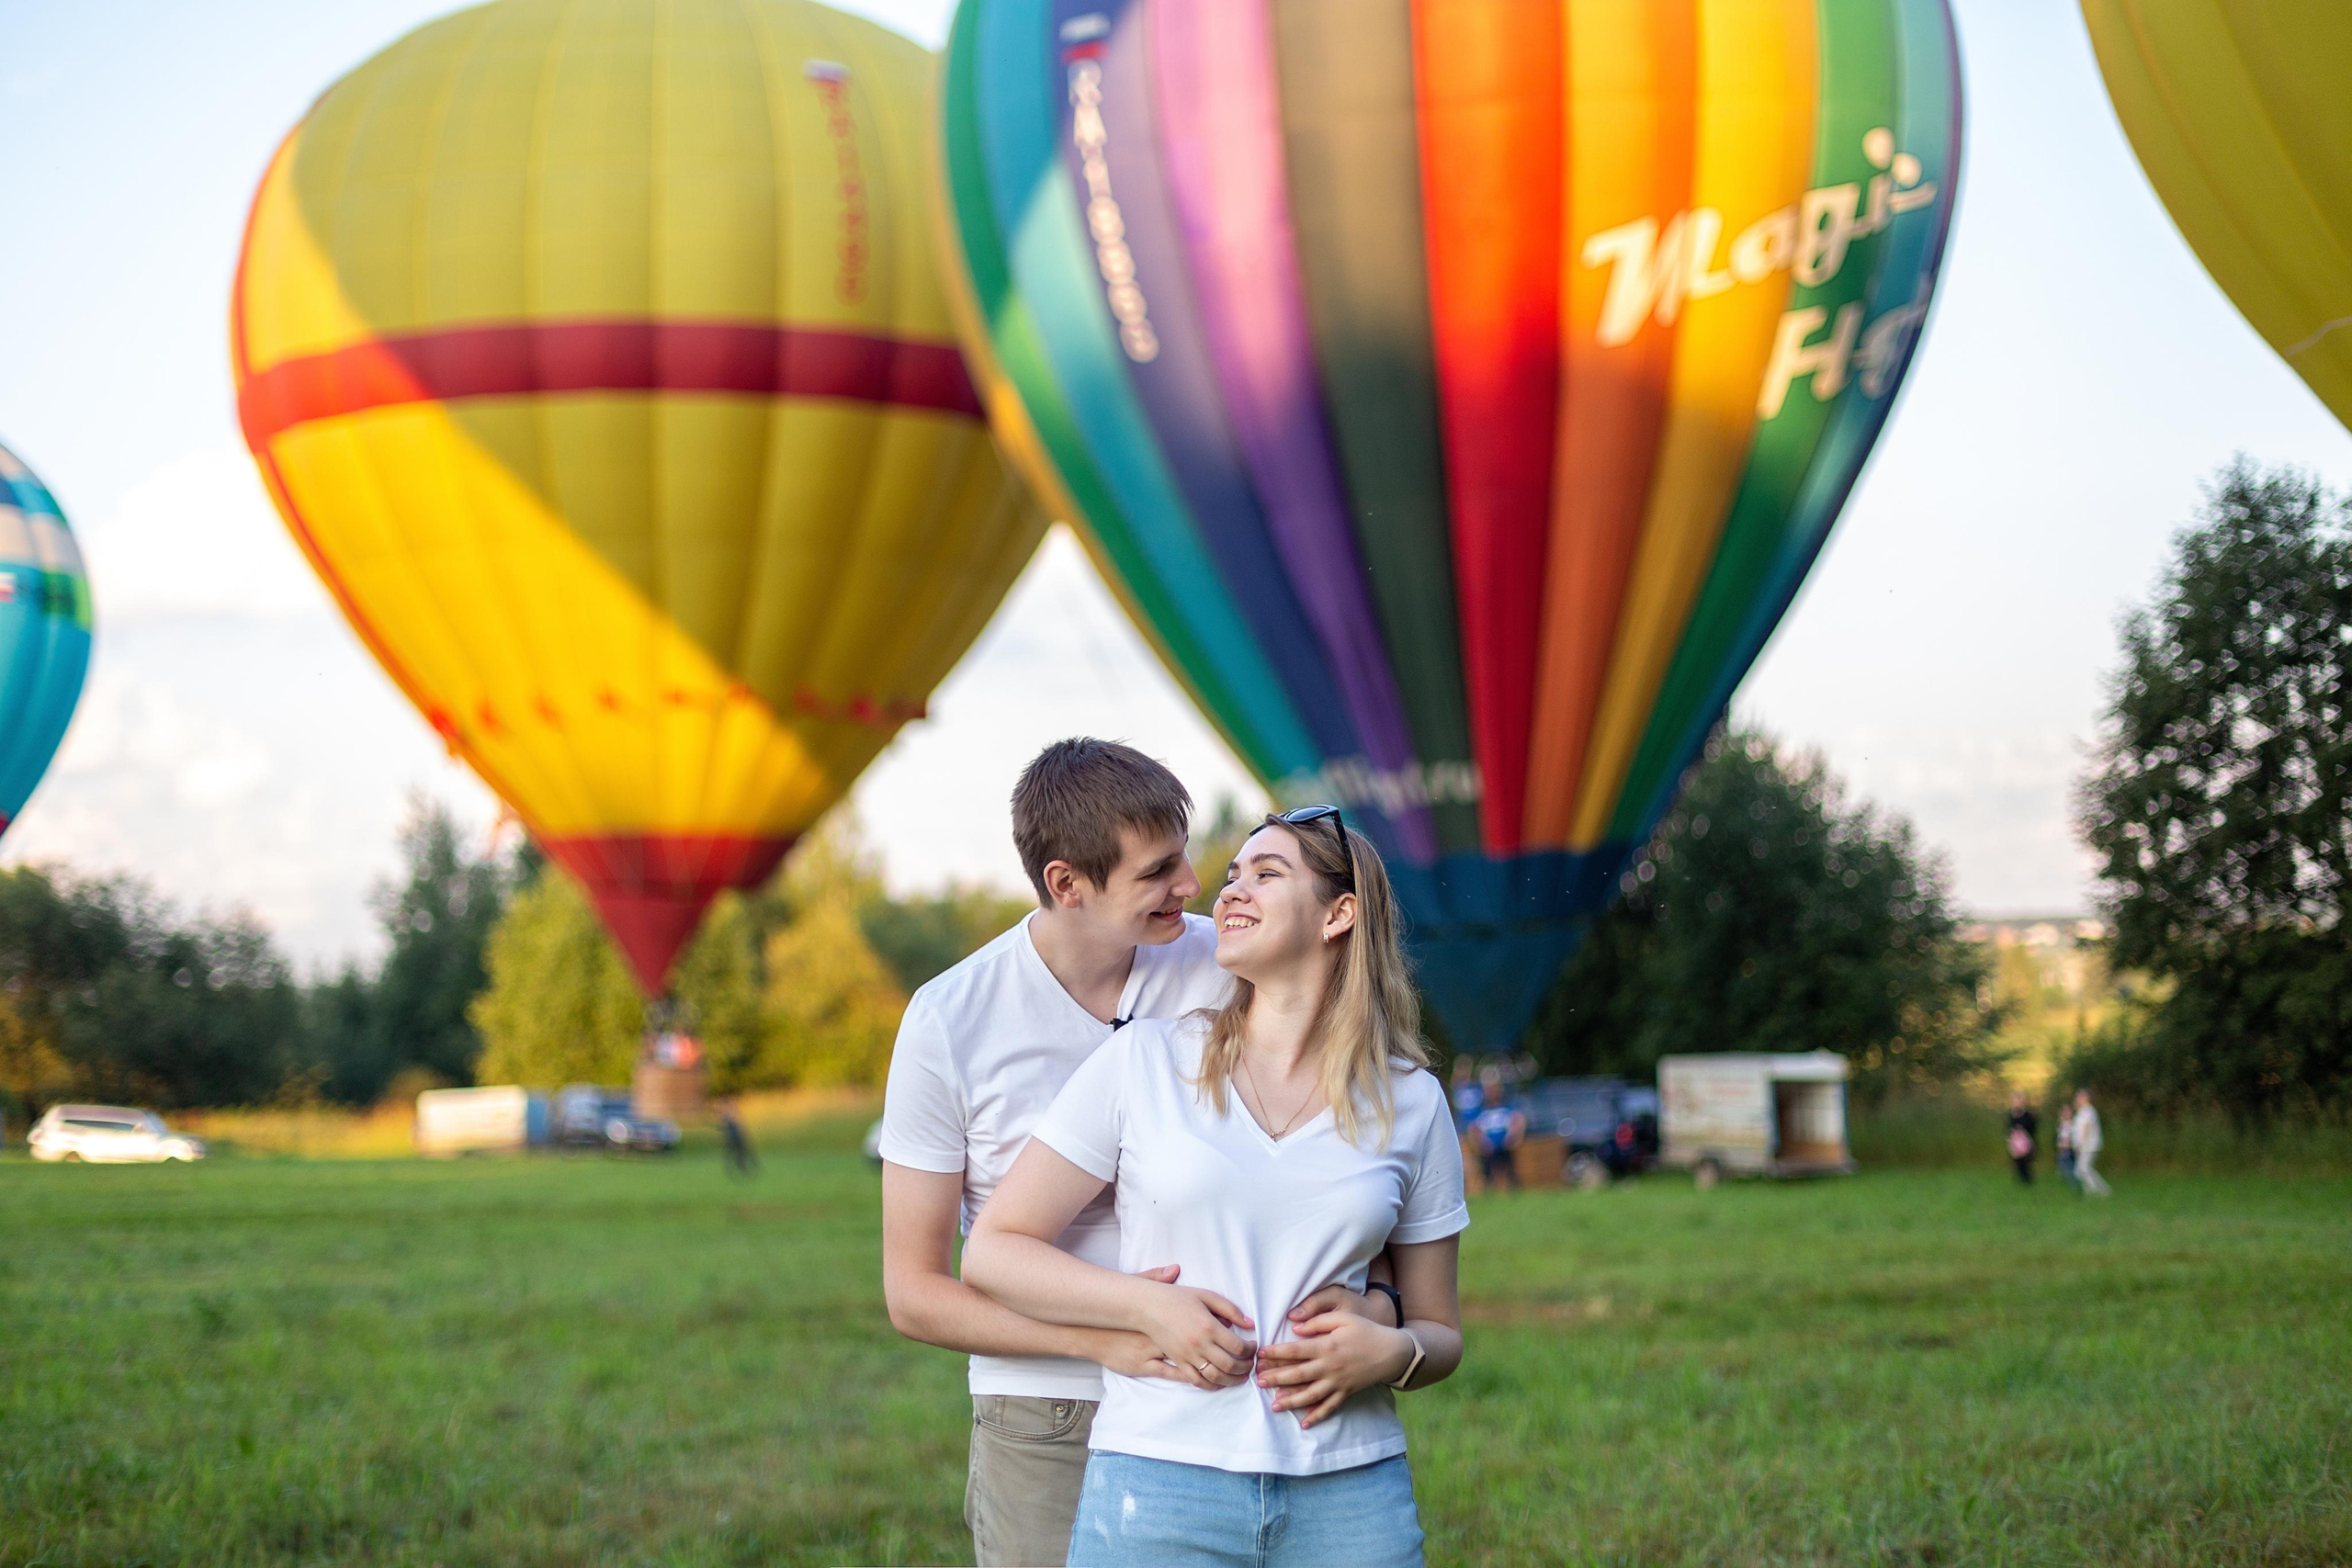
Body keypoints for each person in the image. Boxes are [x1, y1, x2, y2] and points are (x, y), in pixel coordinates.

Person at [876, 742, 1398, 1567]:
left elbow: (1359, 1146)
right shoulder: (950, 1019)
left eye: (1187, 857)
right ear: (1066, 884)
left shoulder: (1228, 963)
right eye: (1157, 872)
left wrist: (1384, 1308)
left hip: (1222, 1409)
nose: (1191, 886)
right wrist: (1108, 1336)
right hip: (1045, 1406)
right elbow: (914, 1293)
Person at [966, 807, 1466, 1568]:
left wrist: (1389, 1351)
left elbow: (1441, 1331)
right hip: (1158, 1483)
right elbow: (994, 1251)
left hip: (1350, 1491)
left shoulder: (1413, 1100)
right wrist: (1142, 1304)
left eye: (1267, 873)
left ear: (1340, 913)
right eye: (1233, 873)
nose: (1228, 890)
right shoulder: (1144, 1061)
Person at [1468, 1066, 1526, 1192]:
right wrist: (1481, 1141)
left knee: (1509, 1163)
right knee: (1486, 1165)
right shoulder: (1481, 1110)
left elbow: (1518, 1119)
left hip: (1506, 1146)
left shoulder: (1507, 1106)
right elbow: (1473, 1128)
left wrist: (1513, 1135)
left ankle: (1513, 1187)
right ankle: (1489, 1188)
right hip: (1488, 1149)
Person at [2072, 1089, 2110, 1197]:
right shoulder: (2082, 1111)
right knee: (2084, 1168)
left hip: (2088, 1145)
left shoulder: (2088, 1111)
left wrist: (2080, 1144)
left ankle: (2099, 1190)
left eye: (2081, 1097)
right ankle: (2093, 1190)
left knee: (2082, 1168)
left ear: (2087, 1098)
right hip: (2085, 1145)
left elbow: (2086, 1128)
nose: (2078, 1099)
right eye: (2078, 1096)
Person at [715, 1098, 756, 1178]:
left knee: (739, 1153)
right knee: (738, 1153)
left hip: (736, 1138)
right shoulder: (728, 1116)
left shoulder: (729, 1115)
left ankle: (741, 1168)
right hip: (734, 1139)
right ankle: (741, 1168)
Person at [2005, 1090, 2038, 1185]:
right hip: (2015, 1144)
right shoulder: (2011, 1115)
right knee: (2018, 1163)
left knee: (2026, 1164)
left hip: (2027, 1143)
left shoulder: (2027, 1115)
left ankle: (2028, 1182)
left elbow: (2033, 1128)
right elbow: (2008, 1129)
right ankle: (2021, 1182)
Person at [2054, 1100, 2077, 1189]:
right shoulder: (2061, 1124)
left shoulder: (2073, 1124)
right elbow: (2059, 1137)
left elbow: (2075, 1137)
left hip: (2069, 1149)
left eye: (2068, 1112)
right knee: (2061, 1169)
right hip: (2062, 1149)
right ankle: (2065, 1185)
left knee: (2070, 1168)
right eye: (2064, 1112)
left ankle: (2074, 1185)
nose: (2066, 1114)